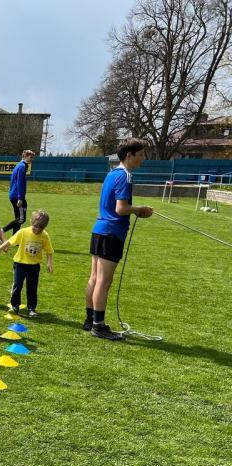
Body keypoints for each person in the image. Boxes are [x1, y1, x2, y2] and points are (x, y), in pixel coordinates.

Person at [84, 138, 153, 340]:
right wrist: (139, 209)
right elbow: (120, 209)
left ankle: (90, 320)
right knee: (103, 281)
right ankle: (98, 326)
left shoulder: (112, 173)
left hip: (99, 230)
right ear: (129, 155)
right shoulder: (125, 176)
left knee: (95, 278)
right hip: (112, 233)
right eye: (141, 154)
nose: (143, 158)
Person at [0, 209, 54, 317]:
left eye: (40, 229)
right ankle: (15, 306)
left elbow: (49, 251)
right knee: (17, 285)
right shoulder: (23, 232)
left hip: (34, 266)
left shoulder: (44, 235)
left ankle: (31, 308)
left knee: (32, 287)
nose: (37, 231)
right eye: (35, 227)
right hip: (20, 264)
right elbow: (9, 242)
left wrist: (49, 263)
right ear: (31, 222)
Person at [2, 150, 35, 234]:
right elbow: (19, 182)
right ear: (25, 156)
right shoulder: (22, 166)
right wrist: (20, 198)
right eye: (30, 157)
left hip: (14, 195)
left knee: (18, 218)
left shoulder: (19, 165)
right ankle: (2, 231)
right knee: (21, 219)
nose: (32, 159)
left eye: (33, 158)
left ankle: (14, 238)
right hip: (17, 196)